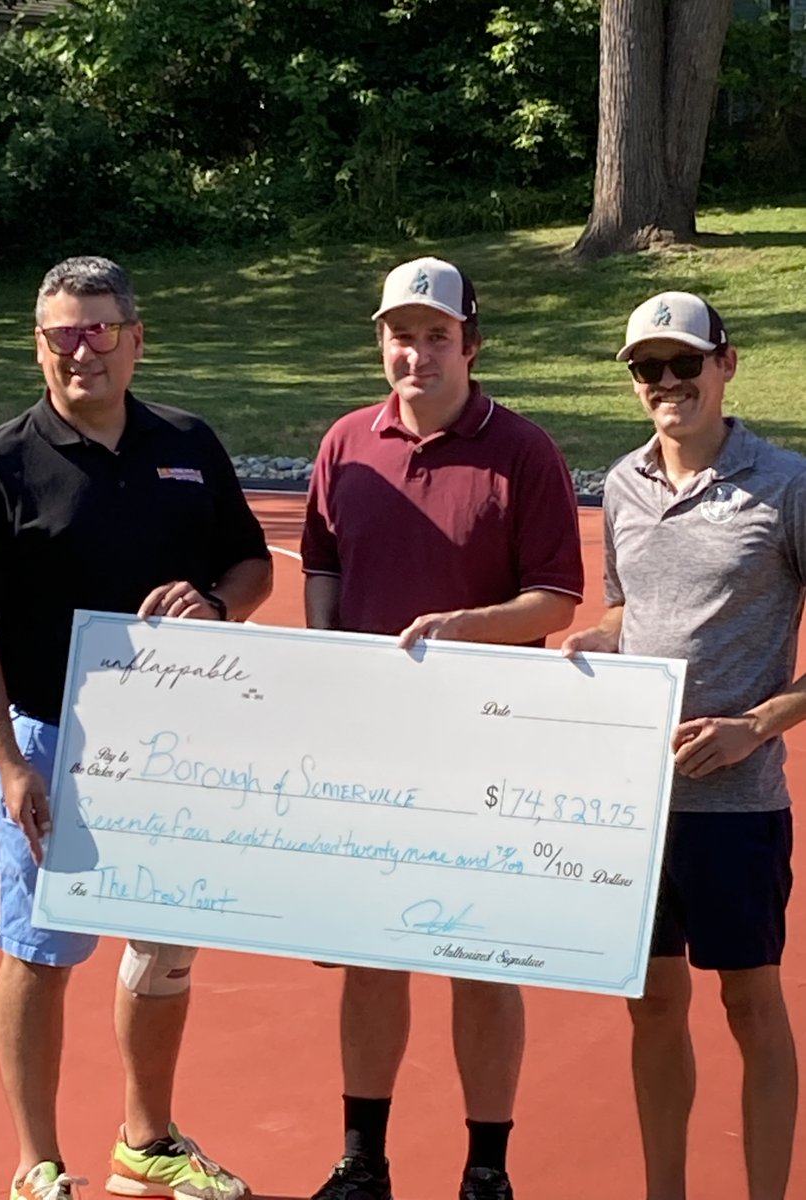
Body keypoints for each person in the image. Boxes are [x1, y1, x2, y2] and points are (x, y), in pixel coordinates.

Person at [0, 256, 273, 1200]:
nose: (81, 350)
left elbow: (253, 568)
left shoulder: (187, 444)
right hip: (49, 743)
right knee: (41, 954)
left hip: (174, 748)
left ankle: (145, 1137)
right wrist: (8, 761)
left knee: (165, 945)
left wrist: (215, 602)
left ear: (135, 338)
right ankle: (36, 1162)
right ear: (38, 346)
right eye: (61, 335)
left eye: (98, 330)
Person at [301, 256, 584, 1200]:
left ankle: (486, 1167)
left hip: (488, 744)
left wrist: (462, 631)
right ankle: (362, 1159)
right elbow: (324, 563)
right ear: (380, 341)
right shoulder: (345, 442)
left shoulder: (526, 451)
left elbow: (556, 594)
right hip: (373, 746)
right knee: (374, 957)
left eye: (434, 335)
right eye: (399, 334)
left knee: (478, 958)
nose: (415, 352)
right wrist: (328, 656)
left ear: (471, 341)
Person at [562, 291, 802, 1200]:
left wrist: (755, 728)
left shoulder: (787, 483)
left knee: (750, 1004)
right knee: (653, 1005)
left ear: (725, 365)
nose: (667, 383)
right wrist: (597, 635)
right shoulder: (622, 485)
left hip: (737, 808)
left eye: (683, 363)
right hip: (634, 803)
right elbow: (628, 609)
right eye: (647, 369)